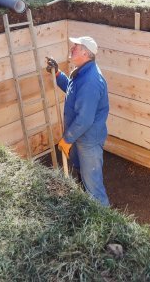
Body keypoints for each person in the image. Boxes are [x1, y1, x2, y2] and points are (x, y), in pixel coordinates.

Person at [45, 36, 110, 206]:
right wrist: (58, 74)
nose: (72, 48)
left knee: (94, 187)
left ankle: (105, 222)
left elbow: (85, 119)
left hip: (88, 140)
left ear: (86, 53)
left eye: (76, 46)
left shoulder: (91, 80)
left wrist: (67, 139)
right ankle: (88, 210)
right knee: (83, 177)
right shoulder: (82, 72)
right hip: (79, 136)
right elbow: (72, 91)